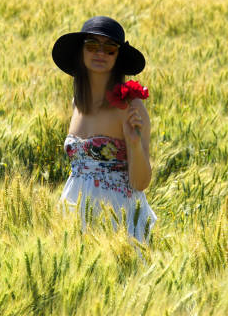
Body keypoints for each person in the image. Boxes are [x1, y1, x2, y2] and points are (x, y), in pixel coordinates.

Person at [52, 16, 157, 243]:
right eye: (91, 45)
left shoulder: (131, 107)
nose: (100, 52)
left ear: (118, 56)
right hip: (75, 213)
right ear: (81, 52)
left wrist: (135, 144)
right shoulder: (77, 103)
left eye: (109, 48)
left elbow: (141, 183)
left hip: (117, 221)